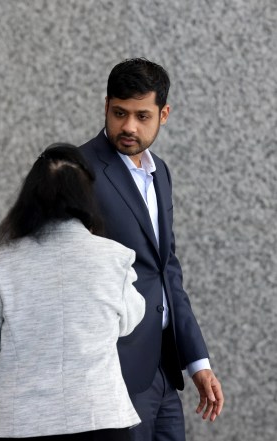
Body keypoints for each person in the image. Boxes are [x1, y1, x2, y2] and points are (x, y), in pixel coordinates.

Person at [78, 58, 224, 441]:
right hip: (113, 368)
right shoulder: (78, 170)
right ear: (106, 106)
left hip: (163, 367)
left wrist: (198, 362)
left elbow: (166, 270)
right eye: (119, 113)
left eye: (142, 115)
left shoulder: (159, 172)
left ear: (164, 114)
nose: (129, 126)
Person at [0, 143, 146, 441]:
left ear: (30, 197)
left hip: (18, 422)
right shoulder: (114, 257)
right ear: (86, 196)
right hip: (99, 417)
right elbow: (127, 323)